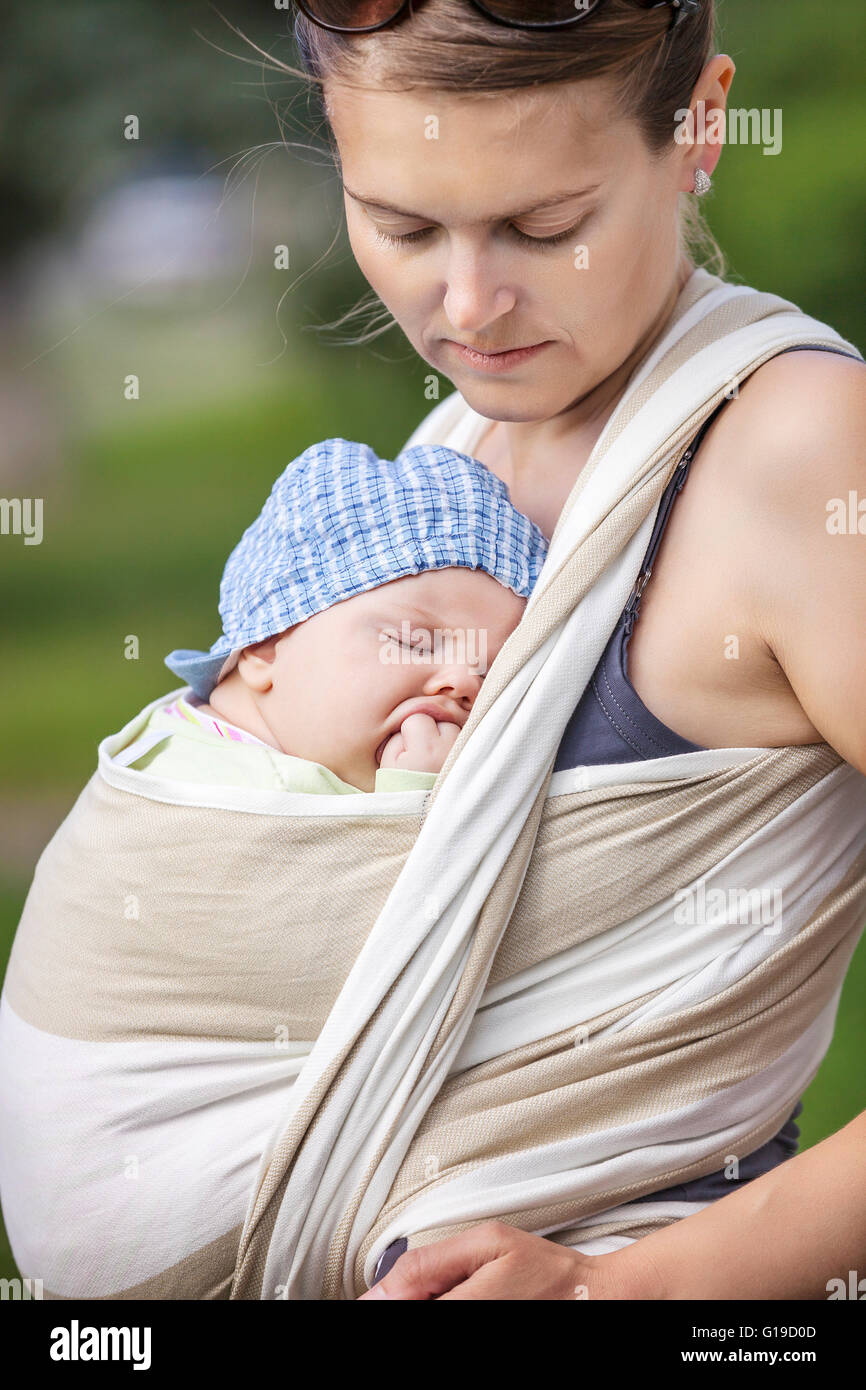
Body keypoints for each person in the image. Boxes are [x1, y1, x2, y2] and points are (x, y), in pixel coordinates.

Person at [274, 0, 866, 1299]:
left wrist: (620, 1287)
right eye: (402, 225)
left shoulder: (801, 452)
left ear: (700, 123)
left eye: (546, 228)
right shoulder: (449, 464)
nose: (469, 302)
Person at [118, 436, 547, 793]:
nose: (465, 680)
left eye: (490, 669)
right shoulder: (233, 788)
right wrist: (417, 797)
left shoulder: (185, 737)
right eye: (411, 641)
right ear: (266, 646)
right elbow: (392, 888)